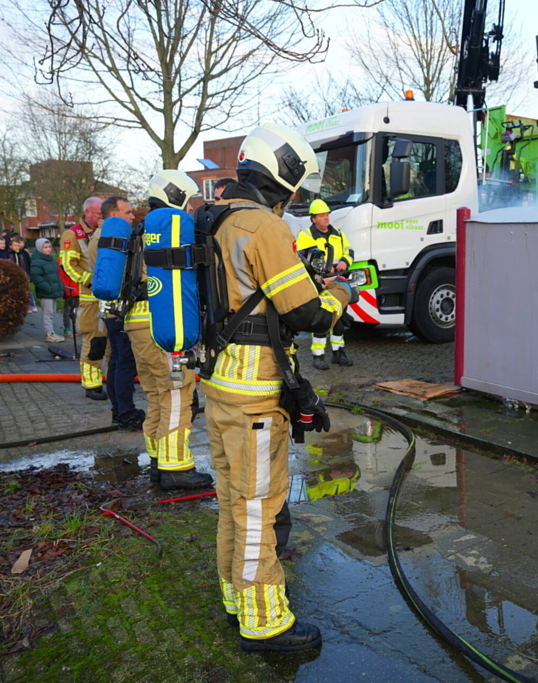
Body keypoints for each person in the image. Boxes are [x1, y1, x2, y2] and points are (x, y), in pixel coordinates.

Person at [202, 123, 352, 653]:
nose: (295, 199)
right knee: (258, 507)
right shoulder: (263, 226)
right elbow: (307, 312)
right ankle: (264, 621)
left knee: (232, 501)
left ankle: (235, 596)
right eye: (295, 188)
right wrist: (338, 290)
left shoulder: (213, 217)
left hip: (218, 384)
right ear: (281, 177)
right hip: (255, 394)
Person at [127, 170, 214, 489]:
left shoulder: (140, 230)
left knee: (155, 394)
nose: (191, 208)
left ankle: (157, 459)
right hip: (163, 326)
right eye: (188, 200)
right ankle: (176, 468)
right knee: (178, 392)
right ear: (176, 196)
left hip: (135, 324)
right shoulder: (170, 231)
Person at [91, 196, 144, 429]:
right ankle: (126, 411)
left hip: (109, 309)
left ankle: (117, 410)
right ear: (113, 215)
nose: (132, 217)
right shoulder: (113, 238)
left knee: (114, 361)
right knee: (125, 362)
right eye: (128, 212)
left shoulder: (97, 237)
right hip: (120, 310)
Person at [295, 199, 355, 370]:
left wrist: (344, 261)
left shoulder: (339, 234)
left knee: (339, 319)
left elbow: (349, 251)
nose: (325, 218)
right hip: (318, 283)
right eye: (321, 216)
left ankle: (338, 353)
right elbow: (303, 260)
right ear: (313, 219)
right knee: (321, 319)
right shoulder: (305, 236)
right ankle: (318, 356)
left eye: (327, 214)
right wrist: (321, 276)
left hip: (337, 281)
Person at [61, 197, 109, 400]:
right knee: (94, 341)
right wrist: (90, 281)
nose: (101, 217)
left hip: (111, 296)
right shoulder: (73, 234)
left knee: (115, 342)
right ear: (87, 212)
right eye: (99, 213)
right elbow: (69, 264)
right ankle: (92, 384)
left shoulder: (106, 230)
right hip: (90, 298)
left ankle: (116, 379)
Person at [31, 238, 65, 343]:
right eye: (45, 247)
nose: (48, 249)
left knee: (52, 312)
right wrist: (47, 288)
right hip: (46, 292)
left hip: (52, 290)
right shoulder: (37, 261)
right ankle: (49, 333)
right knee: (48, 313)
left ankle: (51, 332)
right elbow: (36, 277)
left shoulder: (50, 260)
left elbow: (55, 275)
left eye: (49, 247)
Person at [6, 235, 37, 312]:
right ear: (10, 246)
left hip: (24, 274)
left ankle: (31, 305)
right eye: (15, 245)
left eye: (18, 245)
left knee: (27, 290)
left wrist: (29, 273)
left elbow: (28, 263)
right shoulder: (8, 254)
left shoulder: (23, 253)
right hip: (13, 276)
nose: (18, 247)